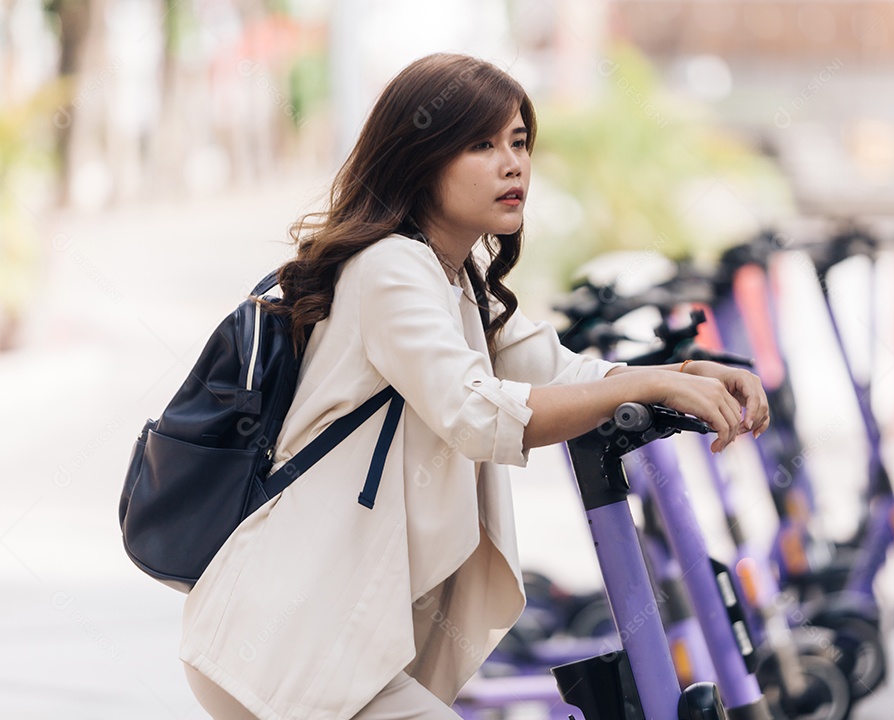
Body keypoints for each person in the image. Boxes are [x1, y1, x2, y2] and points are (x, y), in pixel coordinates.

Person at [179, 52, 769, 720]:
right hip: (284, 646)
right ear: (420, 160)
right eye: (481, 145)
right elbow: (477, 414)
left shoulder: (454, 279)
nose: (512, 163)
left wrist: (685, 375)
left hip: (328, 650)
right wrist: (658, 382)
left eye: (519, 142)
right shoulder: (392, 270)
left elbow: (558, 369)